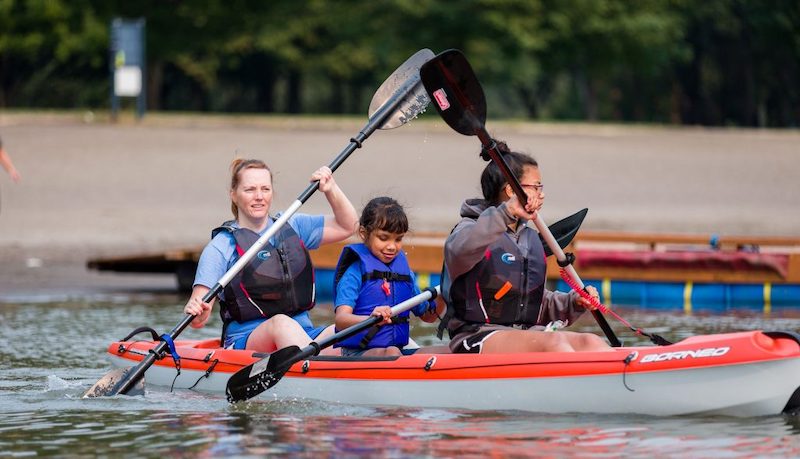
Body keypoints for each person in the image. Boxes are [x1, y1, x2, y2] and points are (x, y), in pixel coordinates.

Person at [442, 142, 613, 354]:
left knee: (591, 342)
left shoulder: (528, 238)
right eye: (536, 187)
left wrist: (573, 302)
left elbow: (534, 302)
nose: (542, 194)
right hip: (477, 336)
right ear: (511, 191)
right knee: (554, 345)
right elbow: (459, 252)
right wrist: (505, 213)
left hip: (525, 334)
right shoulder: (470, 229)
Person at [183, 158, 358, 353]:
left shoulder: (293, 225)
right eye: (250, 190)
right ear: (234, 195)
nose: (259, 196)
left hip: (305, 336)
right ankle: (314, 367)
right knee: (281, 324)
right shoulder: (221, 247)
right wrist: (198, 312)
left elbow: (348, 225)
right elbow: (198, 320)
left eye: (265, 189)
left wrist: (331, 189)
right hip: (245, 343)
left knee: (351, 331)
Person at [333, 197, 442, 357]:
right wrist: (369, 318)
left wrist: (446, 294)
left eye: (398, 239)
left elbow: (428, 316)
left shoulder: (404, 274)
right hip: (357, 353)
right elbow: (341, 320)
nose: (392, 246)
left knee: (449, 350)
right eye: (383, 238)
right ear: (364, 233)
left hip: (394, 351)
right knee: (392, 352)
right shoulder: (354, 273)